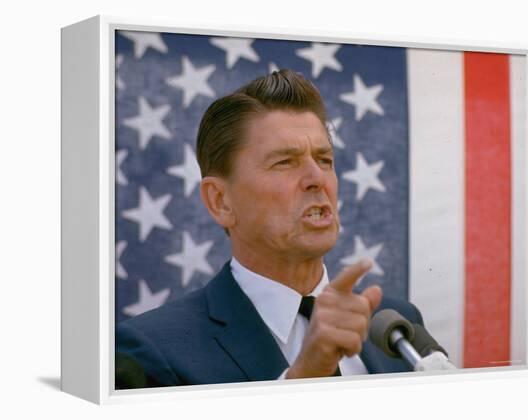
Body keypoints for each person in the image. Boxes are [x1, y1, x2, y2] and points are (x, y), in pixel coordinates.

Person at [115, 69, 423, 388]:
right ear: (220, 201)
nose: (316, 179)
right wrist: (303, 379)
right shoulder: (150, 352)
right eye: (285, 162)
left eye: (324, 159)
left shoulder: (395, 325)